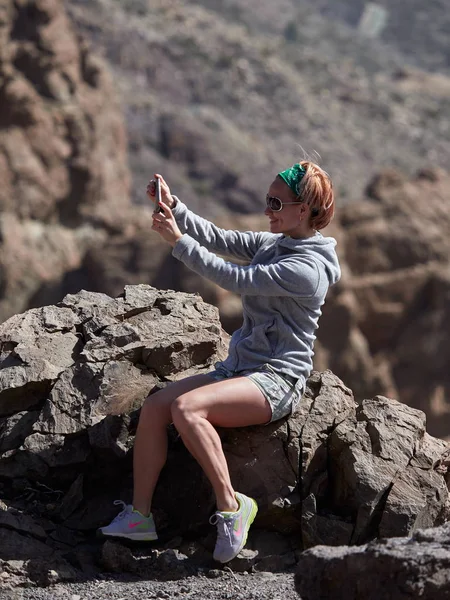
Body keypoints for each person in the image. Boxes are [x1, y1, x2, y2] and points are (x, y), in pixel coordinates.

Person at [98, 161, 341, 563]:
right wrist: (176, 208)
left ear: (305, 209)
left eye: (276, 202)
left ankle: (232, 507)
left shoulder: (307, 269)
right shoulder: (273, 243)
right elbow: (221, 238)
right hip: (241, 370)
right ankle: (140, 516)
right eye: (268, 200)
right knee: (157, 407)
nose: (268, 210)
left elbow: (236, 279)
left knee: (187, 409)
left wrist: (177, 243)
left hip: (277, 379)